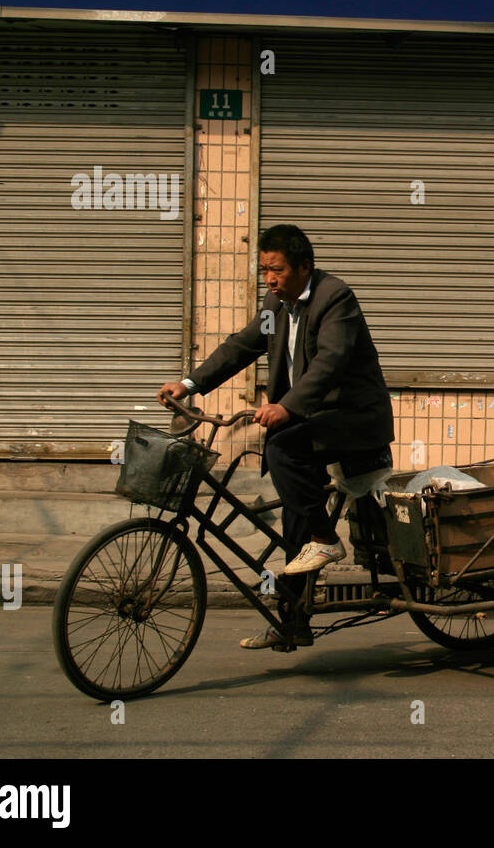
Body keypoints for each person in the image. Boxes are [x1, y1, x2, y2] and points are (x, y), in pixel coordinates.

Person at [158, 224, 394, 650]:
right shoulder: (276, 303)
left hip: (353, 419)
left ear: (305, 266)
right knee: (294, 525)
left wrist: (288, 406)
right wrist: (190, 385)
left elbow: (331, 362)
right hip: (313, 419)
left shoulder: (335, 298)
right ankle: (292, 623)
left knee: (282, 446)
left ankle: (327, 540)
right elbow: (242, 346)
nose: (269, 278)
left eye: (277, 269)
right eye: (264, 269)